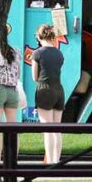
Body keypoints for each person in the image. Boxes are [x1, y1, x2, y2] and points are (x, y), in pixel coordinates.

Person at [31, 24, 65, 164]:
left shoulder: (37, 53)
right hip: (59, 90)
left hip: (44, 89)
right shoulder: (59, 53)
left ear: (39, 37)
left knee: (47, 128)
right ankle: (56, 161)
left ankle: (49, 162)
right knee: (57, 128)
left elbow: (35, 77)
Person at [0, 38, 21, 163]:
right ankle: (12, 160)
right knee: (12, 127)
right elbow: (18, 74)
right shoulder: (16, 51)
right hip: (12, 91)